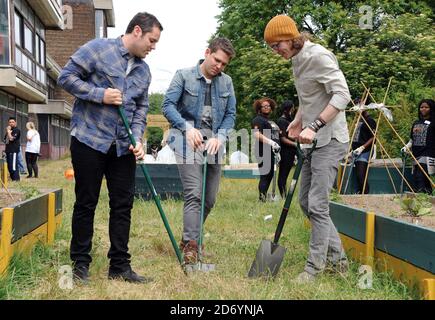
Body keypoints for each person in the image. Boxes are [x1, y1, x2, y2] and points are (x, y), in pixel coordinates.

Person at [58, 12, 163, 284]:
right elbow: (66, 77)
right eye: (152, 40)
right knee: (86, 202)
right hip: (89, 140)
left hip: (122, 147)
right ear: (137, 31)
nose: (154, 47)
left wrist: (138, 139)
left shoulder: (144, 70)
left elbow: (140, 108)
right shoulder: (97, 49)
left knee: (123, 205)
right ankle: (80, 265)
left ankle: (119, 266)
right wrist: (99, 94)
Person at [264, 15, 351, 283]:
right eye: (271, 47)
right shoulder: (297, 61)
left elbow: (342, 95)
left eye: (277, 44)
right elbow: (310, 96)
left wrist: (313, 125)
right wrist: (298, 120)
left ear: (292, 37)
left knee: (317, 204)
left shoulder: (319, 56)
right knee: (305, 202)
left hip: (331, 139)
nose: (275, 51)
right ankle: (340, 262)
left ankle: (314, 269)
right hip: (312, 140)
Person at [162, 37, 236, 265]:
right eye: (217, 60)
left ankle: (189, 239)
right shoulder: (183, 75)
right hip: (186, 141)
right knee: (194, 192)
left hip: (213, 143)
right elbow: (167, 105)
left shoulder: (227, 83)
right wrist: (186, 127)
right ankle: (192, 246)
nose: (219, 66)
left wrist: (221, 136)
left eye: (224, 64)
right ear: (207, 52)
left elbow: (230, 115)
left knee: (209, 198)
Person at [401, 99, 434, 194]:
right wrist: (407, 146)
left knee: (421, 175)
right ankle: (428, 195)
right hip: (416, 153)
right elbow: (412, 139)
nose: (423, 109)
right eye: (421, 107)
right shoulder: (416, 123)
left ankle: (421, 195)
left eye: (426, 107)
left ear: (431, 109)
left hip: (428, 153)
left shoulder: (433, 123)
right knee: (419, 177)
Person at [251, 97, 281, 202]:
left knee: (270, 174)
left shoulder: (270, 121)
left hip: (273, 151)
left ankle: (265, 196)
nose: (267, 107)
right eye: (264, 106)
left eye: (268, 106)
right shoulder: (257, 119)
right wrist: (271, 143)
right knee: (265, 174)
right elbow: (256, 134)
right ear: (259, 108)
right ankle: (261, 198)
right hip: (263, 150)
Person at [350, 109, 376, 194]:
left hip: (365, 151)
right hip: (356, 151)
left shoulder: (370, 120)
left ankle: (365, 193)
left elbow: (373, 137)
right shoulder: (359, 120)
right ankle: (360, 192)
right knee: (358, 175)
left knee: (361, 174)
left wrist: (362, 147)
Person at [276, 100, 297, 197]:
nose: (293, 110)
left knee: (287, 175)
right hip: (285, 152)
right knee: (283, 177)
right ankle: (284, 197)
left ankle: (286, 195)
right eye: (292, 109)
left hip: (291, 152)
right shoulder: (281, 121)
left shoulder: (290, 120)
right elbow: (283, 138)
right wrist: (296, 144)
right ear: (288, 109)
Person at [3, 117, 21, 181]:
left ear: (15, 123)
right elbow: (5, 140)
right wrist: (8, 132)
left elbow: (11, 139)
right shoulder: (9, 131)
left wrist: (8, 132)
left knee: (13, 166)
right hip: (8, 150)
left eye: (12, 122)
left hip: (14, 150)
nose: (11, 123)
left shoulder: (17, 130)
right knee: (9, 166)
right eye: (10, 122)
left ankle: (16, 179)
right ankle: (13, 178)